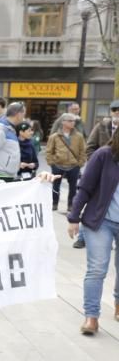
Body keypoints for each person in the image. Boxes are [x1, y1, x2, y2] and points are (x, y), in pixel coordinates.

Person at [68, 130, 119, 335]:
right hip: (100, 222)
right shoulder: (104, 155)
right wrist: (73, 217)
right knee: (97, 269)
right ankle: (91, 317)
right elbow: (85, 187)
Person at [45, 113, 86, 212]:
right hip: (58, 165)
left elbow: (83, 151)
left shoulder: (79, 136)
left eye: (74, 121)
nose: (73, 123)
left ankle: (71, 205)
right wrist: (52, 163)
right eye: (70, 121)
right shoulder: (54, 136)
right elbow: (49, 151)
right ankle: (54, 203)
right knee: (55, 186)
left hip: (73, 165)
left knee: (73, 187)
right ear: (63, 122)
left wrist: (80, 163)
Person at [0, 102, 25, 181]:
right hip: (0, 175)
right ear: (19, 114)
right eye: (23, 114)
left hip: (5, 174)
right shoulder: (1, 129)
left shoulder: (9, 129)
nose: (24, 117)